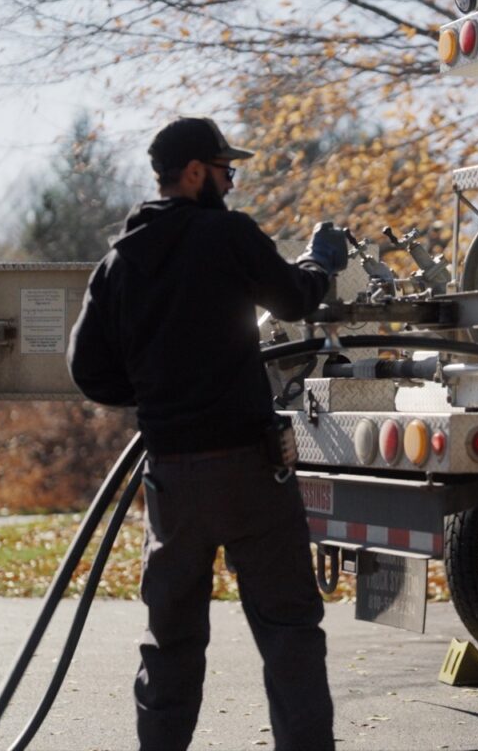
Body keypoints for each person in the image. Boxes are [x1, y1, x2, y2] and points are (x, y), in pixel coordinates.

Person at [66, 115, 348, 751]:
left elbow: (88, 371)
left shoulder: (119, 262)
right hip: (251, 473)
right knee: (289, 630)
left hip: (173, 479)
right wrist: (321, 264)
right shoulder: (228, 234)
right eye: (225, 169)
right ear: (195, 172)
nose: (231, 181)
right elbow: (294, 299)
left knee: (170, 639)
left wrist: (160, 394)